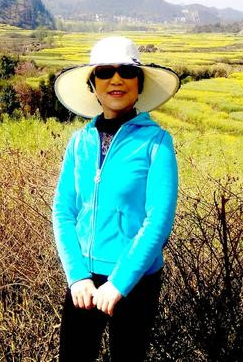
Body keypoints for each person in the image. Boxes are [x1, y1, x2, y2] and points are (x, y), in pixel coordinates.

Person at [51, 36, 180, 361]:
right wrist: (76, 276)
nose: (116, 80)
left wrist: (119, 283)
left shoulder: (157, 143)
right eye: (105, 72)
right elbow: (63, 210)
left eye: (127, 72)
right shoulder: (79, 142)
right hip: (83, 280)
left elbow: (158, 221)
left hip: (136, 280)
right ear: (93, 84)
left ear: (139, 83)